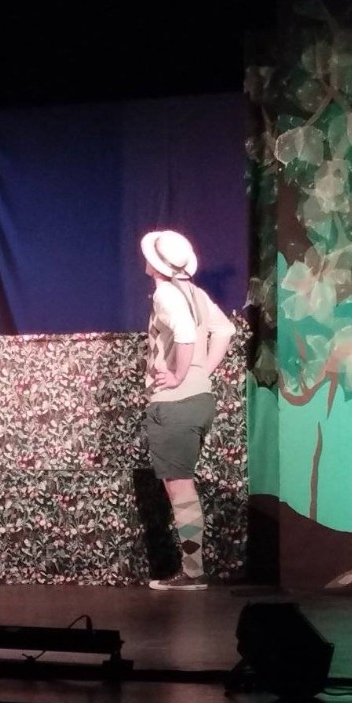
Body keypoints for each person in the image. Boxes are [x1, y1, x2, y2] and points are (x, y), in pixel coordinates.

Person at [141, 229, 234, 591]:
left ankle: (193, 573)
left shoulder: (166, 293)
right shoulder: (195, 293)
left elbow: (185, 333)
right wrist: (201, 371)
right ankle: (192, 570)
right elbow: (224, 330)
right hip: (199, 399)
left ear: (157, 265)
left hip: (176, 404)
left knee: (180, 490)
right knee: (181, 487)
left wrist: (180, 375)